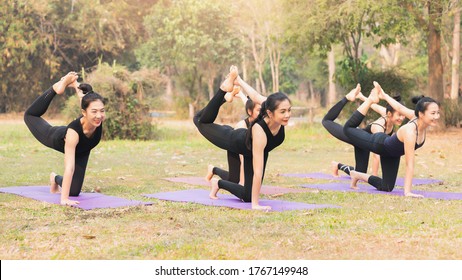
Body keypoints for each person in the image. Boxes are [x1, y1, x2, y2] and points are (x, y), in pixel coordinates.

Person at [193, 66, 291, 210]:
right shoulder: (260, 131)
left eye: (289, 110)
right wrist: (256, 205)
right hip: (233, 139)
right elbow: (258, 172)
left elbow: (256, 96)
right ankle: (223, 91)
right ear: (270, 113)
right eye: (283, 112)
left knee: (246, 194)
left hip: (250, 149)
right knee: (199, 120)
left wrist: (239, 80)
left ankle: (217, 183)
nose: (287, 115)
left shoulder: (273, 111)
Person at [343, 82, 440, 197]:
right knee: (348, 129)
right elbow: (409, 164)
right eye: (433, 113)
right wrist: (408, 192)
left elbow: (399, 107)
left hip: (392, 154)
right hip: (379, 144)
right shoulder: (410, 131)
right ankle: (367, 100)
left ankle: (357, 175)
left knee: (387, 187)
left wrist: (384, 95)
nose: (436, 116)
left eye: (438, 113)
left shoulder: (417, 118)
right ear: (421, 114)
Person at [24, 72, 105, 206]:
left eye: (102, 111)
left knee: (74, 191)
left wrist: (75, 85)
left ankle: (54, 178)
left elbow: (84, 101)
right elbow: (69, 168)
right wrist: (64, 199)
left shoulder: (97, 118)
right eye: (95, 111)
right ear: (84, 113)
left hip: (82, 151)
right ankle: (55, 88)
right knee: (29, 115)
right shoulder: (74, 132)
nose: (99, 115)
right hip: (55, 136)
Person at [323, 84, 405, 177]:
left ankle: (337, 165)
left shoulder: (387, 113)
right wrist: (374, 177)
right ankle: (347, 98)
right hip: (354, 135)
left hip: (364, 146)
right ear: (390, 114)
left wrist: (361, 97)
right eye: (399, 115)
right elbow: (376, 154)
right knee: (326, 121)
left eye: (403, 115)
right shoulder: (379, 127)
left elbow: (373, 106)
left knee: (360, 173)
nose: (402, 118)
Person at [205, 90, 261, 185]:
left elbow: (248, 103)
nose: (263, 113)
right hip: (234, 147)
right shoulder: (242, 125)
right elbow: (243, 157)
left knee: (244, 176)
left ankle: (213, 169)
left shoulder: (259, 120)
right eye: (260, 110)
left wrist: (241, 94)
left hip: (244, 147)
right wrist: (242, 185)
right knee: (234, 180)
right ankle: (214, 170)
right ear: (250, 111)